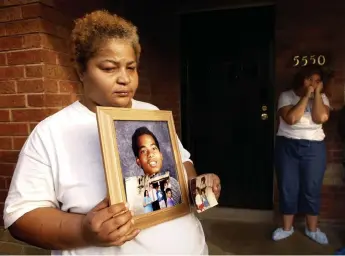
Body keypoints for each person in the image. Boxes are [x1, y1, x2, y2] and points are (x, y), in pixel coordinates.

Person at [3, 10, 221, 255]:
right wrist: (82, 230)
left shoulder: (151, 113)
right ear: (80, 71)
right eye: (109, 68)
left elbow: (182, 163)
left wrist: (197, 187)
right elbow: (20, 217)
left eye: (131, 67)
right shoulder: (52, 132)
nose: (124, 79)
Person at [273, 66, 330, 245]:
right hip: (287, 146)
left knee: (312, 188)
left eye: (317, 80)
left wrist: (318, 95)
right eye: (309, 79)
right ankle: (286, 228)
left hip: (314, 148)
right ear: (300, 79)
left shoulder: (322, 98)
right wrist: (306, 96)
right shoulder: (286, 96)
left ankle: (312, 229)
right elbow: (291, 119)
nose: (312, 83)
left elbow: (320, 117)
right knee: (287, 186)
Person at [132, 126, 181, 205]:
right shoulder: (137, 193)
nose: (150, 154)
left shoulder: (174, 184)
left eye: (154, 148)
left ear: (161, 155)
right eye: (143, 151)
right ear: (138, 161)